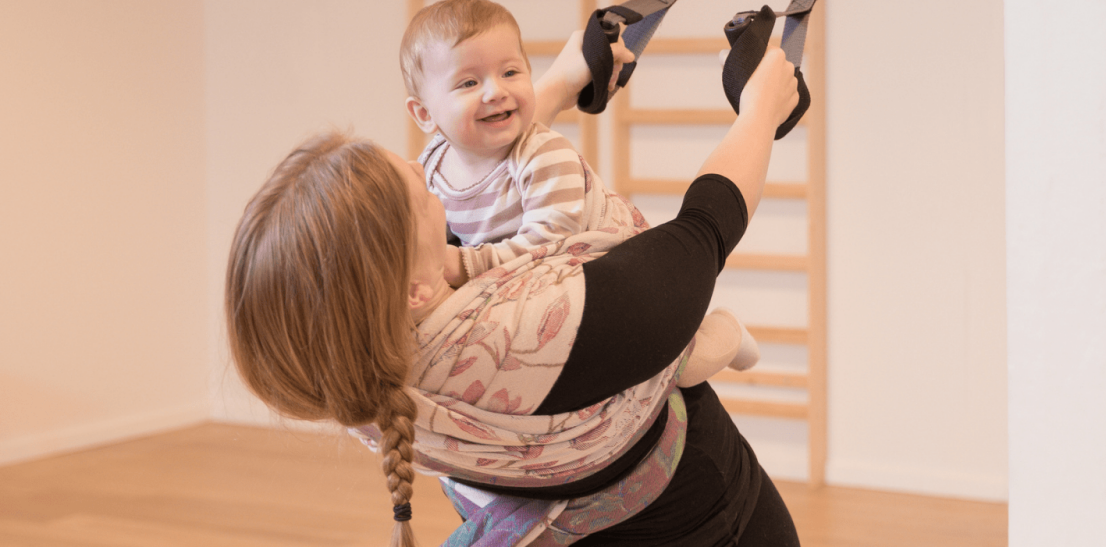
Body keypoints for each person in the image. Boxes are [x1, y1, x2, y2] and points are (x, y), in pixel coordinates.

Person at [224, 33, 802, 545]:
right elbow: (704, 228)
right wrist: (759, 111)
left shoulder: (356, 366)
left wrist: (554, 83)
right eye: (424, 195)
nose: (436, 184)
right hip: (711, 523)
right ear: (413, 288)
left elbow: (476, 182)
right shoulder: (549, 330)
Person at [399, 0, 758, 387]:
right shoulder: (432, 164)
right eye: (469, 82)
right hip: (525, 281)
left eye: (510, 72)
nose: (495, 91)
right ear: (424, 114)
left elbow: (549, 244)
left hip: (607, 269)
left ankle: (723, 331)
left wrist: (462, 266)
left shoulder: (542, 155)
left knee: (675, 370)